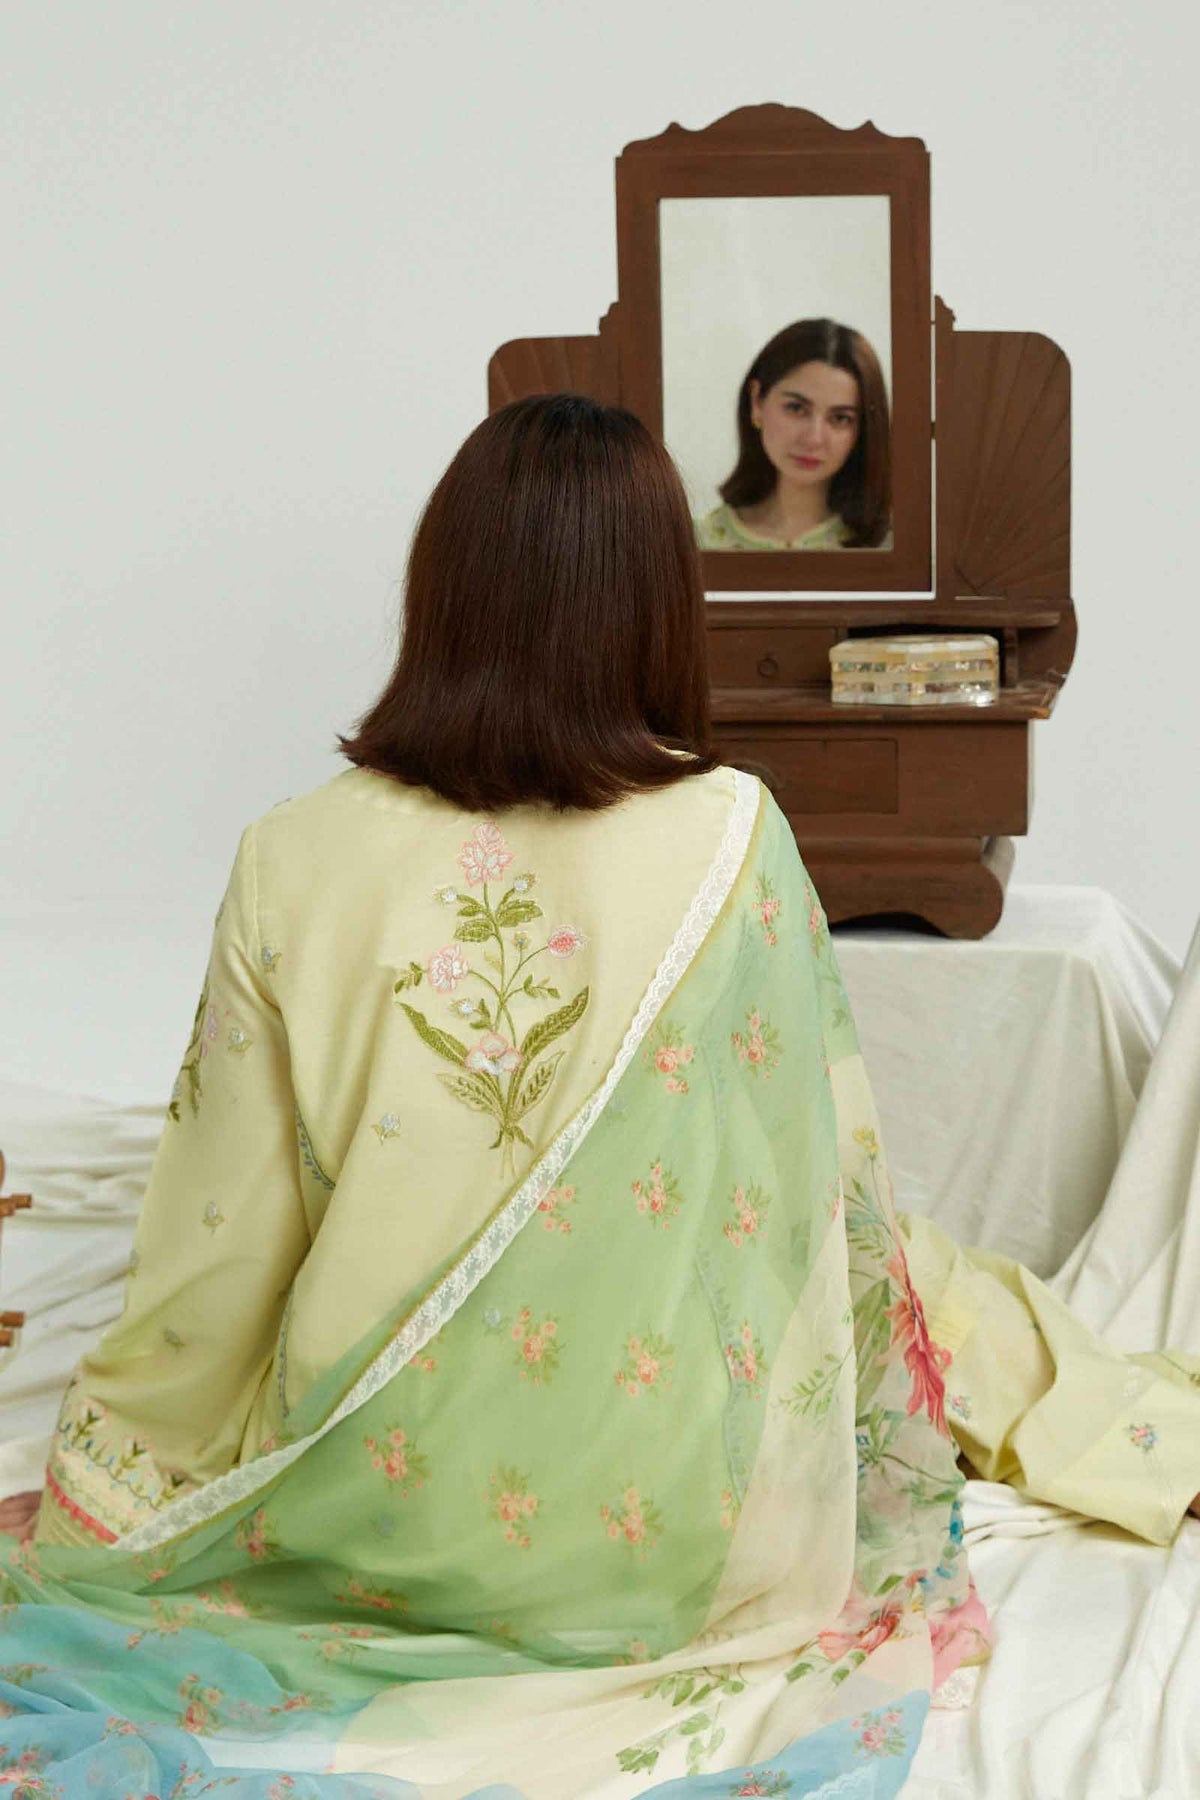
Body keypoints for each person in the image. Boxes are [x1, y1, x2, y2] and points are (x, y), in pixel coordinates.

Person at [1, 396, 1197, 1800]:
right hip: (675, 1533)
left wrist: (120, 1470)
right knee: (925, 1275)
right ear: (656, 604)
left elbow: (221, 1242)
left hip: (371, 1509)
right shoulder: (731, 833)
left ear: (443, 590)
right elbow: (801, 1209)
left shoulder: (292, 855)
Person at [695, 317, 893, 551]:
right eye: (796, 408)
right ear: (757, 401)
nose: (814, 438)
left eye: (841, 418)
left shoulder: (891, 546)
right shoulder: (696, 541)